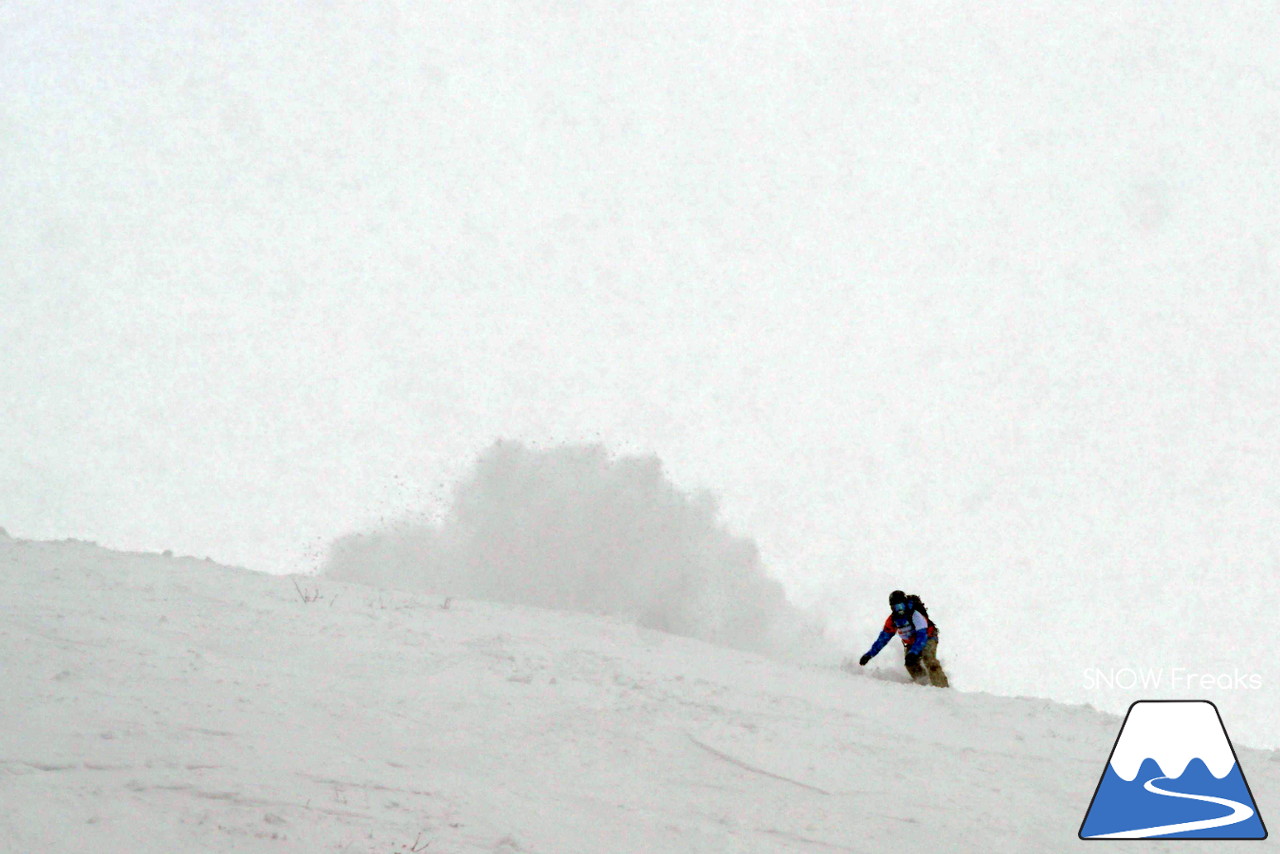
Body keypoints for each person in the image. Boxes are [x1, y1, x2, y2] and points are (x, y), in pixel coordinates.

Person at [857, 589, 949, 687]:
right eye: (896, 607)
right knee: (910, 663)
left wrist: (913, 652)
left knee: (928, 658)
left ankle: (942, 687)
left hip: (928, 637)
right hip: (911, 643)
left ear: (905, 604)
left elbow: (922, 636)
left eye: (901, 606)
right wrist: (869, 655)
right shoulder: (893, 620)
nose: (900, 610)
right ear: (892, 608)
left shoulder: (915, 615)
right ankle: (924, 683)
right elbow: (883, 639)